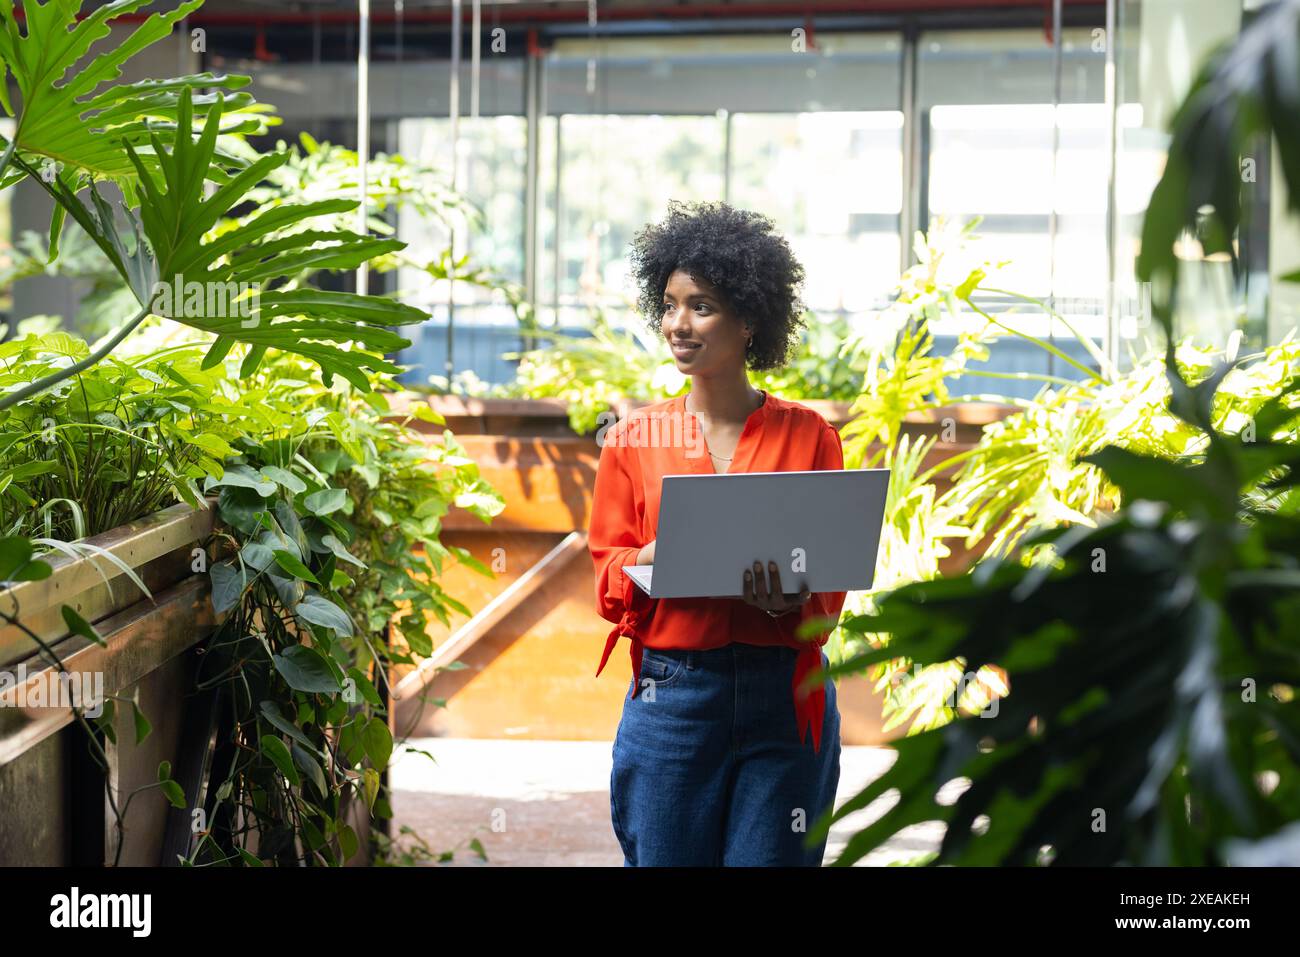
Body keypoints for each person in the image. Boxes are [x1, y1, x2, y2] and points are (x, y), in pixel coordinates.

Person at [589, 199, 846, 867]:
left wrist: (792, 599)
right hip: (675, 697)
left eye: (700, 305)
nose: (678, 322)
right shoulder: (633, 440)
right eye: (670, 303)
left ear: (749, 318)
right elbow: (607, 576)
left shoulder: (810, 436)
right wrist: (647, 557)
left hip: (785, 698)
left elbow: (829, 583)